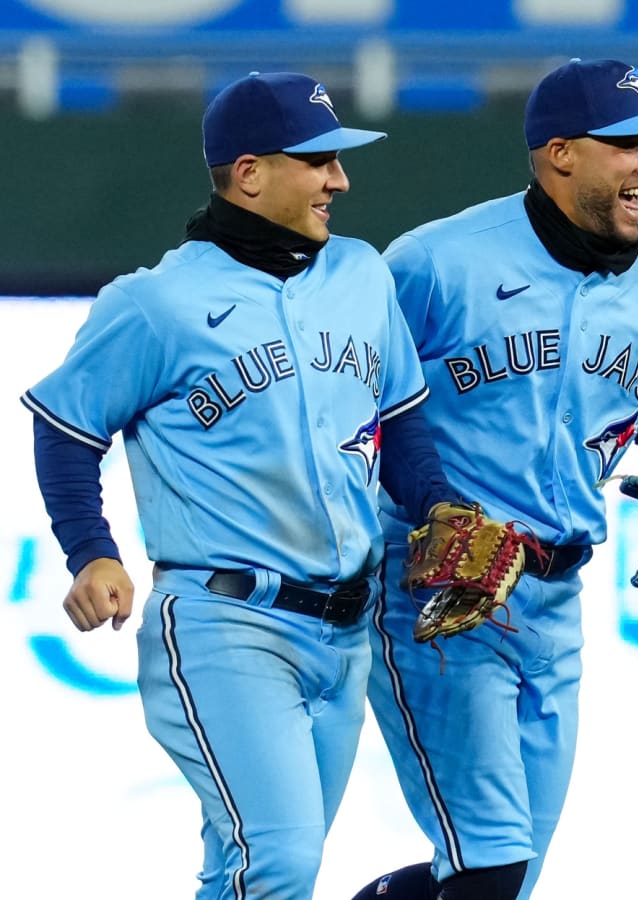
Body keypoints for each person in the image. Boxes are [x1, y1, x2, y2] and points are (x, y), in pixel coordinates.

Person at [22, 71, 460, 900]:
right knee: (282, 861)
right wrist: (91, 552)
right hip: (228, 622)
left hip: (346, 628)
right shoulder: (157, 304)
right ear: (251, 171)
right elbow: (66, 426)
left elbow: (400, 420)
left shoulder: (361, 275)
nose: (341, 179)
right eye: (319, 160)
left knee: (243, 872)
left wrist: (436, 503)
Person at [353, 58, 638, 900]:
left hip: (559, 599)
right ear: (560, 153)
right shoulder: (434, 262)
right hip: (443, 589)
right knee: (490, 865)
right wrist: (429, 505)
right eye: (629, 146)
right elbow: (360, 413)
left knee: (508, 875)